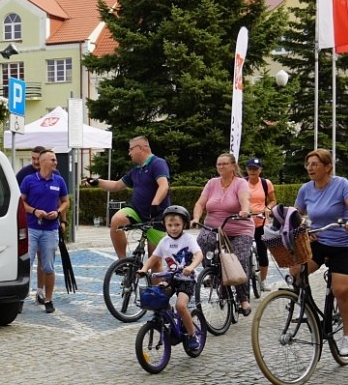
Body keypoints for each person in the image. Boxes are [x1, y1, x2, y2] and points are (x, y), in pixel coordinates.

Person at [293, 148, 348, 356]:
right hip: (318, 242)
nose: (310, 168)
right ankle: (305, 307)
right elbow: (296, 214)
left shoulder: (341, 185)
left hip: (343, 246)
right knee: (296, 271)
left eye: (315, 164)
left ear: (327, 167)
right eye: (308, 164)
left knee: (341, 290)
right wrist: (304, 227)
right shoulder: (306, 189)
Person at [84, 136, 170, 258]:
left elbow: (164, 186)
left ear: (140, 148)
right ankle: (122, 262)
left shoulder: (158, 163)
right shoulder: (136, 170)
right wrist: (97, 182)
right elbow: (116, 185)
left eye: (131, 149)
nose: (129, 153)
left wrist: (155, 204)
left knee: (155, 264)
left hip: (156, 216)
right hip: (136, 211)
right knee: (116, 221)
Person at [191, 152, 255, 315]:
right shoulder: (212, 183)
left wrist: (244, 211)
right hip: (214, 228)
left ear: (233, 166)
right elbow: (200, 203)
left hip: (239, 229)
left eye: (225, 164)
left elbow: (245, 199)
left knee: (238, 260)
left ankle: (243, 299)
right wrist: (196, 218)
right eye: (219, 164)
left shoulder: (240, 183)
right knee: (201, 243)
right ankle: (214, 276)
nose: (221, 166)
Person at [139, 205, 203, 351]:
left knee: (181, 306)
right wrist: (143, 269)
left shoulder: (188, 239)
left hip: (187, 280)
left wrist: (191, 267)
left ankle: (192, 335)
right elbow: (153, 258)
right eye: (170, 225)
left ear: (184, 224)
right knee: (157, 297)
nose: (173, 228)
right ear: (165, 225)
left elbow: (199, 255)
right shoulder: (164, 241)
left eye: (177, 225)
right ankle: (170, 320)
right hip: (171, 278)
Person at [20, 149, 70, 314]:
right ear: (43, 162)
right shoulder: (29, 180)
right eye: (52, 160)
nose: (56, 162)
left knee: (48, 267)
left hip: (50, 230)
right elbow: (21, 202)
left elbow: (65, 201)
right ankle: (20, 299)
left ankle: (48, 300)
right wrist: (34, 211)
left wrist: (58, 212)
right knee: (26, 265)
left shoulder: (59, 180)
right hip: (31, 228)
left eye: (55, 159)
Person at [244, 157, 278, 290]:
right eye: (250, 168)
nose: (252, 171)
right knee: (241, 251)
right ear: (246, 170)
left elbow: (273, 200)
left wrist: (268, 208)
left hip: (261, 221)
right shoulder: (241, 183)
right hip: (245, 223)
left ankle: (263, 281)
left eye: (255, 169)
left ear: (260, 170)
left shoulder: (265, 183)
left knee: (262, 251)